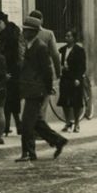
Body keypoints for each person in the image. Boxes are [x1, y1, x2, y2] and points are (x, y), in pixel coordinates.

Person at [16, 15, 67, 162]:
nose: (23, 33)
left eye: (26, 30)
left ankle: (28, 153)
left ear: (33, 31)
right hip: (31, 88)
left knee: (26, 122)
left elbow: (47, 69)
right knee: (36, 122)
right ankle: (58, 141)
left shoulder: (40, 47)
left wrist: (49, 87)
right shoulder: (29, 45)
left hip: (37, 89)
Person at [0, 13, 24, 136]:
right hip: (16, 71)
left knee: (7, 100)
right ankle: (17, 125)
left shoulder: (6, 36)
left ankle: (8, 126)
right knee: (14, 100)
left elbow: (7, 55)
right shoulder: (14, 32)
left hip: (9, 71)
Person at [58, 29, 86, 133]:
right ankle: (67, 122)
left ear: (74, 38)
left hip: (75, 78)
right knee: (64, 100)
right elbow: (58, 62)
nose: (67, 38)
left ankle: (77, 123)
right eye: (66, 36)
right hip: (65, 77)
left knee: (76, 102)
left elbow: (82, 66)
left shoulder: (79, 50)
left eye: (69, 36)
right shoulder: (62, 50)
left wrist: (78, 78)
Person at [27, 9, 62, 79]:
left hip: (29, 72)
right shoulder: (48, 34)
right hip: (45, 69)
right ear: (41, 20)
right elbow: (55, 55)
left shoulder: (25, 34)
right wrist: (58, 72)